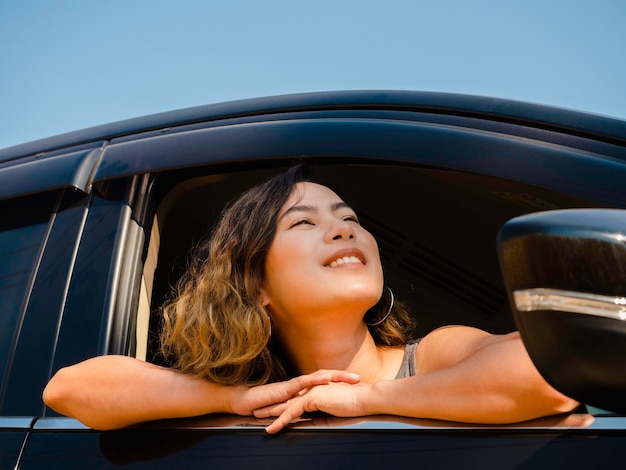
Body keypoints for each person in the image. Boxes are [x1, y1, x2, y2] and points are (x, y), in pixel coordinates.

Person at [43, 166, 578, 433]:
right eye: (304, 222)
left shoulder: (432, 356)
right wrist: (227, 399)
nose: (344, 230)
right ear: (255, 283)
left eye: (350, 219)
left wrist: (365, 401)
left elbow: (548, 376)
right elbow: (68, 390)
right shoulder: (252, 395)